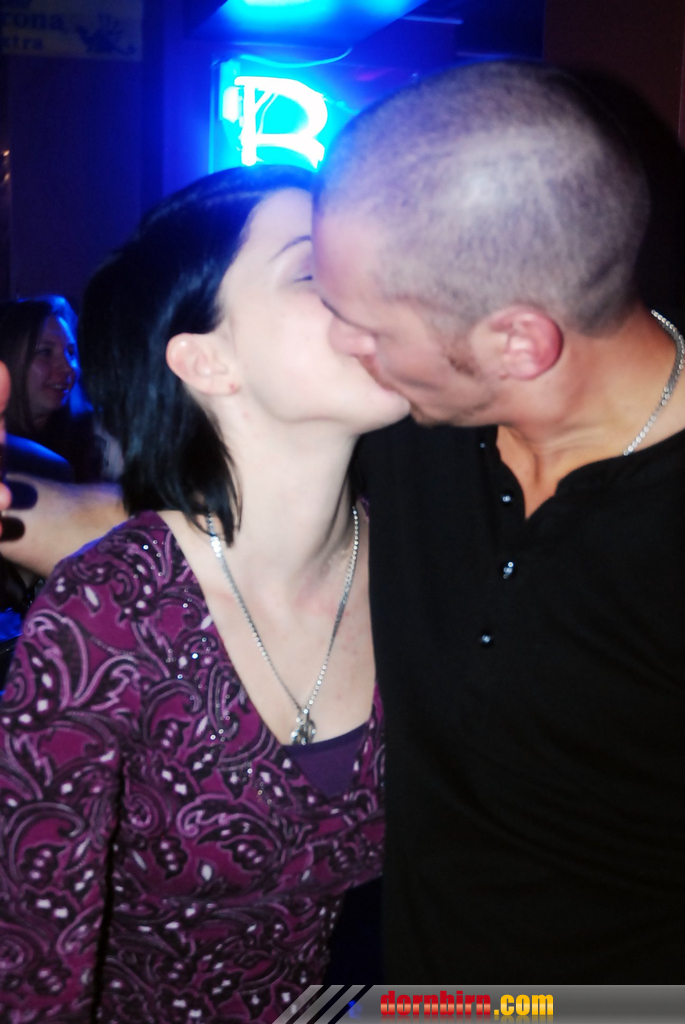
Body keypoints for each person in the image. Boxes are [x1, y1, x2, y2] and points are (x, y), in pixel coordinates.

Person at [0, 164, 409, 1021]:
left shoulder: (423, 561)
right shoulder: (107, 617)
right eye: (313, 269)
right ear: (206, 359)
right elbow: (31, 973)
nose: (373, 287)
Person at [311, 60, 685, 982]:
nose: (338, 344)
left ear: (516, 341)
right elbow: (215, 543)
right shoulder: (410, 417)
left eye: (365, 326)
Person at [0, 296, 104, 482]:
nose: (68, 367)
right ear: (7, 359)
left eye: (71, 353)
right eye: (45, 352)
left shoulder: (93, 440)